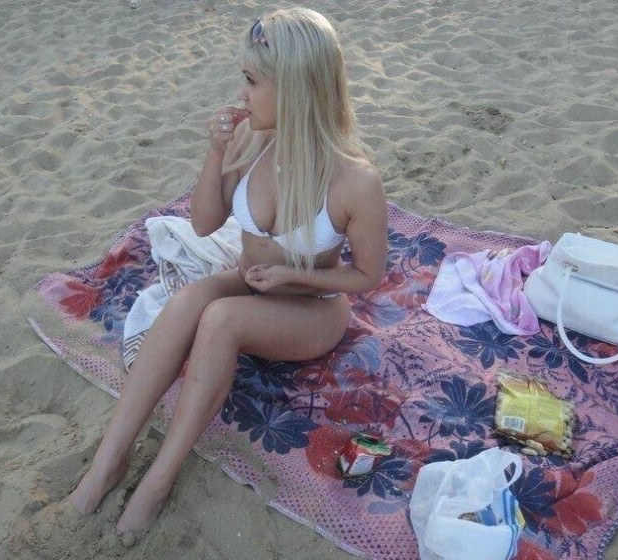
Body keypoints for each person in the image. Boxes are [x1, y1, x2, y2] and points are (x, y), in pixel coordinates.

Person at [68, 7, 387, 539]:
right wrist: (216, 153)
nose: (242, 93)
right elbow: (204, 223)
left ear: (295, 88)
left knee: (220, 320)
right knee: (188, 302)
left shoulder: (355, 180)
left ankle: (158, 481)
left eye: (252, 81)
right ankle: (108, 462)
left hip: (313, 308)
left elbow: (367, 277)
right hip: (251, 282)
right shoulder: (251, 141)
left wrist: (295, 278)